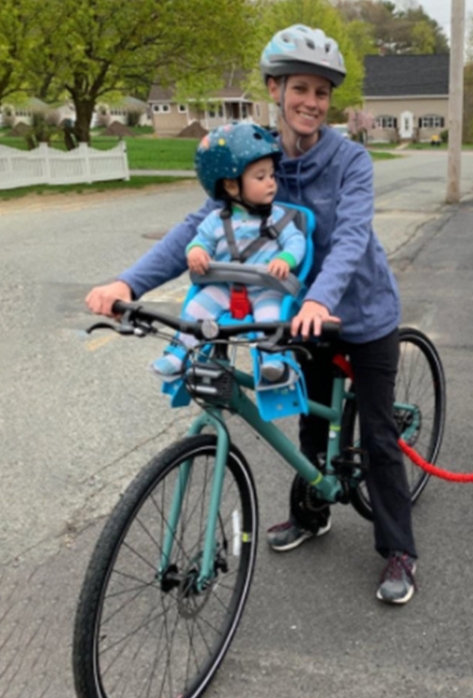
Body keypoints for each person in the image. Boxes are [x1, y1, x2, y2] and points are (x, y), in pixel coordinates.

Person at [85, 24, 418, 605]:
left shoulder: (351, 161)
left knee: (379, 435)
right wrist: (127, 282)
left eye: (322, 92)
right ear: (274, 88)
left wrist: (321, 298)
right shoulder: (255, 158)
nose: (311, 102)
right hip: (293, 313)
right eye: (300, 89)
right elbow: (200, 226)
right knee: (309, 418)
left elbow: (351, 238)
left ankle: (398, 549)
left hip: (360, 312)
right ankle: (312, 513)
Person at [150, 121, 306, 384]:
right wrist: (196, 251)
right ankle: (178, 354)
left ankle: (273, 361)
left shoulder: (278, 217)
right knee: (196, 308)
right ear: (232, 186)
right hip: (225, 287)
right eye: (261, 177)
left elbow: (296, 241)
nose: (271, 183)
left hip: (265, 287)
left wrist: (285, 259)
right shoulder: (216, 219)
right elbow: (200, 240)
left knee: (270, 317)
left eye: (272, 175)